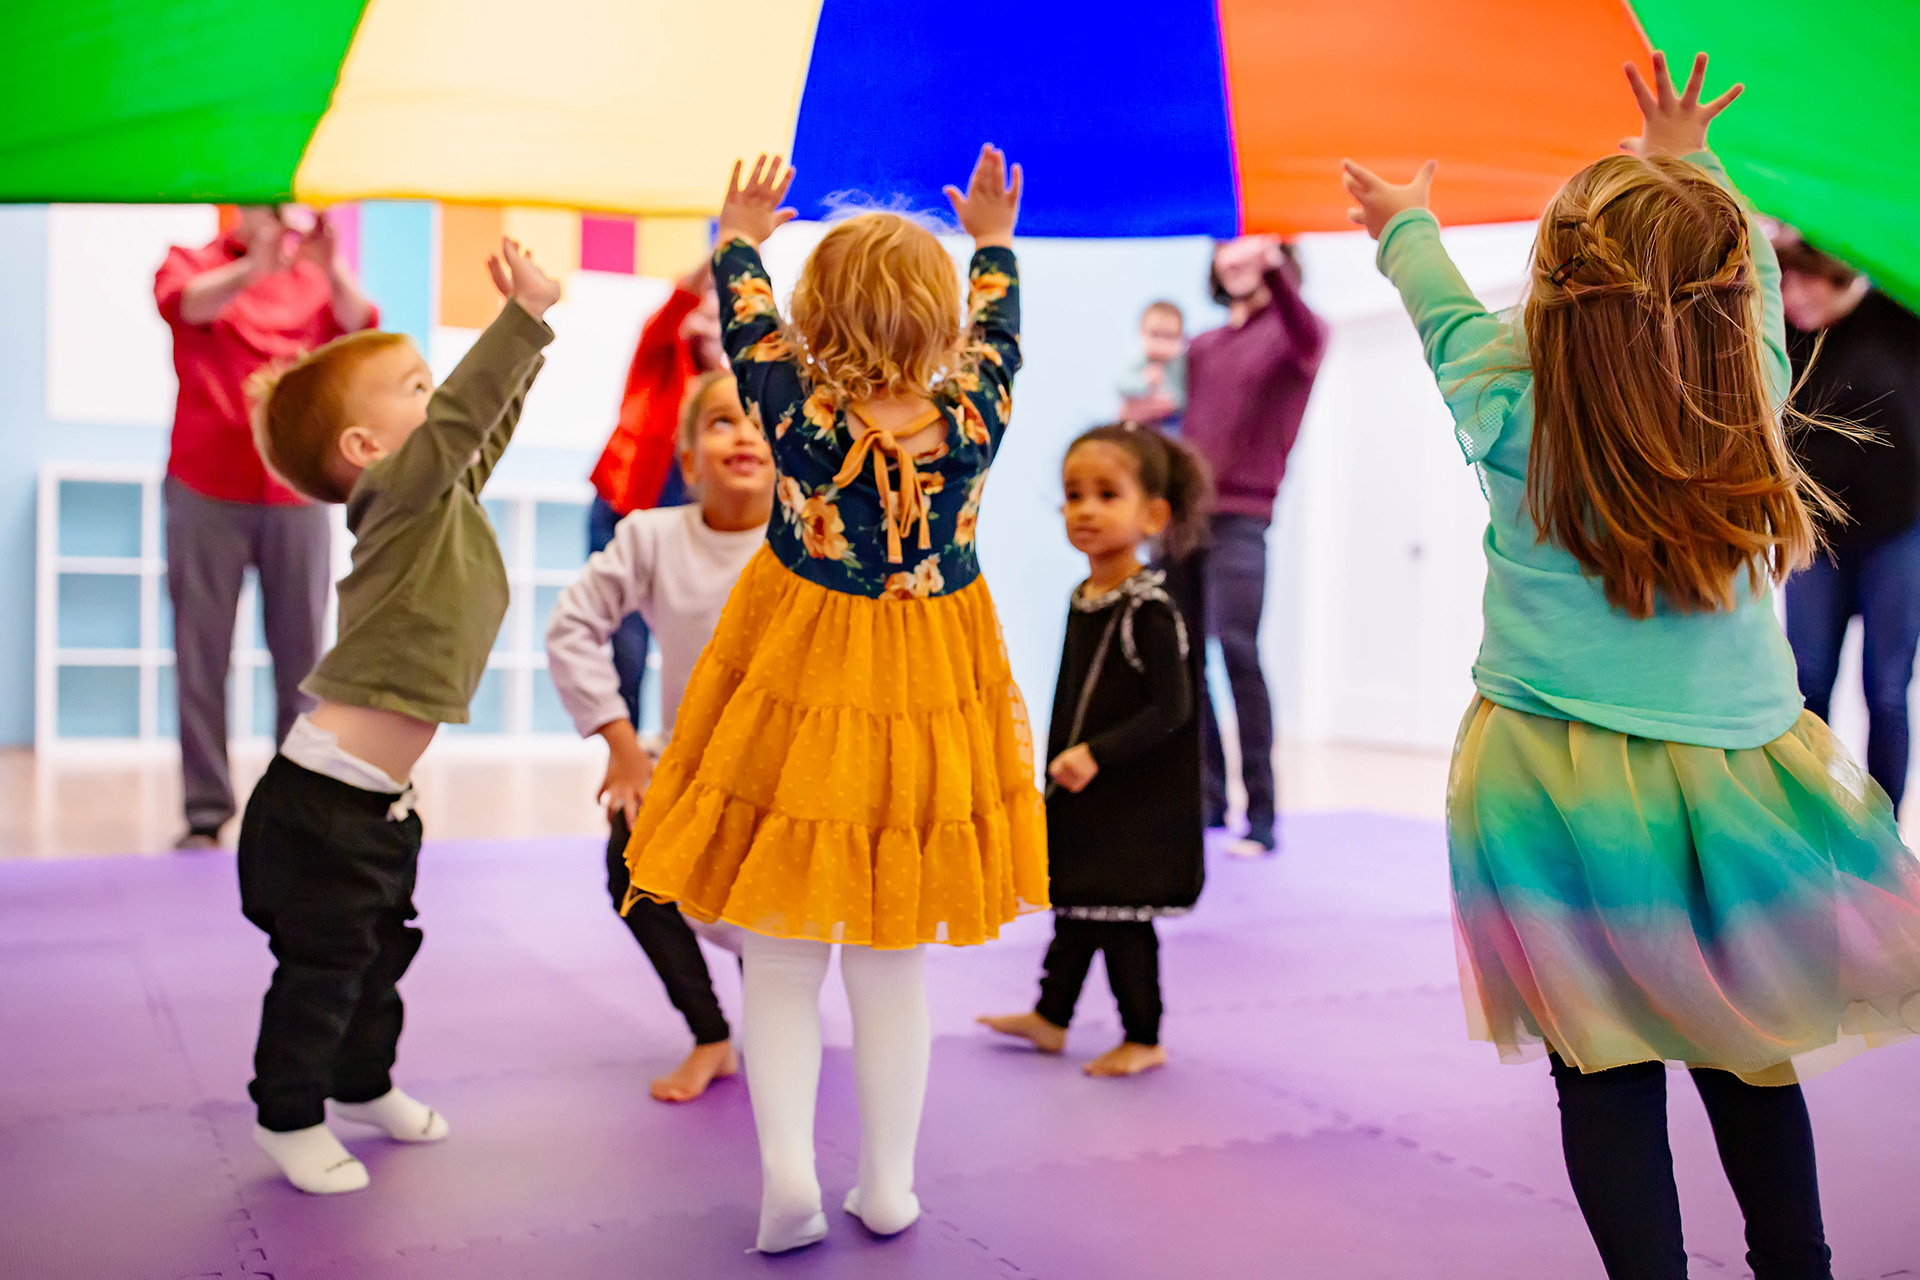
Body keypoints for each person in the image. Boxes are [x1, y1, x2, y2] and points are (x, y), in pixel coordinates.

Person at [1342, 52, 1920, 1279]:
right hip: (1734, 785)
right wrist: (1685, 156)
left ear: (1551, 291)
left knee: (1600, 1069)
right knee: (1750, 1052)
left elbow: (1445, 305)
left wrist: (1404, 222)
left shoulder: (1504, 404)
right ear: (1727, 306)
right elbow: (1747, 276)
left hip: (1547, 785)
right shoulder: (1748, 394)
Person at [621, 147, 1047, 1254]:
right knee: (890, 950)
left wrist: (740, 232)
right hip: (927, 673)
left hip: (802, 673)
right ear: (939, 326)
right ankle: (892, 1183)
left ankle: (785, 1180)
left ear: (819, 319)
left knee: (782, 945)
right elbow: (1001, 331)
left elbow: (745, 315)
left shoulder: (792, 408)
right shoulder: (975, 413)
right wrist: (993, 240)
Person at [237, 239, 560, 1194]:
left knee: (380, 958)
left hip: (379, 805)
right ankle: (286, 1115)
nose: (440, 402)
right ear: (365, 452)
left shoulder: (437, 495)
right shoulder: (397, 491)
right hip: (321, 807)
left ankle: (364, 1082)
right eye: (416, 388)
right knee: (324, 970)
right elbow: (462, 420)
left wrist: (532, 351)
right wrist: (523, 318)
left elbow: (477, 427)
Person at [546, 371, 771, 1103]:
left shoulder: (810, 552)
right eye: (722, 423)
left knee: (767, 918)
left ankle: (774, 1037)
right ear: (688, 462)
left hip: (785, 774)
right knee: (631, 868)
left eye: (763, 423)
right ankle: (710, 1034)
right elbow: (573, 626)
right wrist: (623, 747)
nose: (744, 435)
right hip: (686, 764)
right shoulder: (651, 535)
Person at [980, 422, 1210, 1078]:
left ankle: (1145, 1035)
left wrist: (1097, 754)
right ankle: (1051, 1017)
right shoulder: (1085, 597)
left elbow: (1174, 710)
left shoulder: (1151, 608)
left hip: (1131, 803)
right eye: (1073, 493)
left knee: (1122, 923)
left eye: (1106, 494)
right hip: (1088, 796)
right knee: (1079, 908)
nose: (1084, 509)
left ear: (1152, 515)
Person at [154, 206, 379, 849]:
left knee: (304, 659)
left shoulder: (313, 283)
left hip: (294, 492)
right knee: (202, 655)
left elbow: (362, 325)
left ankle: (296, 809)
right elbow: (188, 308)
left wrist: (330, 263)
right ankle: (205, 811)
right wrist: (252, 267)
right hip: (205, 488)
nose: (272, 214)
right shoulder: (192, 263)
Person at [1184, 235, 1327, 856]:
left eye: (1251, 247)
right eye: (1227, 248)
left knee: (1238, 650)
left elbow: (1309, 336)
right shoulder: (1202, 346)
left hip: (1242, 517)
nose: (1236, 256)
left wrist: (1274, 267)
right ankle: (1209, 802)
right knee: (1185, 660)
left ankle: (1262, 815)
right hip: (1181, 521)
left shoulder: (1293, 335)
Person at [1775, 233, 1920, 810]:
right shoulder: (1779, 335)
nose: (1792, 296)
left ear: (1836, 273)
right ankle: (1813, 821)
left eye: (1804, 279)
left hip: (1900, 535)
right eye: (1782, 281)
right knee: (1807, 685)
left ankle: (1885, 833)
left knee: (1886, 690)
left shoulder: (1900, 314)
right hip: (1816, 542)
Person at [585, 261, 729, 728]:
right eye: (702, 314)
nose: (708, 324)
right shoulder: (658, 357)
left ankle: (682, 746)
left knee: (692, 637)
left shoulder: (723, 390)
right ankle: (623, 752)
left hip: (682, 522)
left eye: (718, 320)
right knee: (626, 645)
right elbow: (677, 301)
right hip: (623, 508)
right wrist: (725, 254)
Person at [1116, 301, 1188, 433]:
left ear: (1181, 338)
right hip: (1140, 424)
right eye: (1154, 334)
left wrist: (1173, 402)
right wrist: (1144, 381)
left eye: (1169, 336)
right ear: (1141, 333)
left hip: (1171, 422)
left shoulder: (1178, 366)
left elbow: (1184, 395)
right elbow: (1121, 385)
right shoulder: (1138, 363)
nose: (1160, 343)